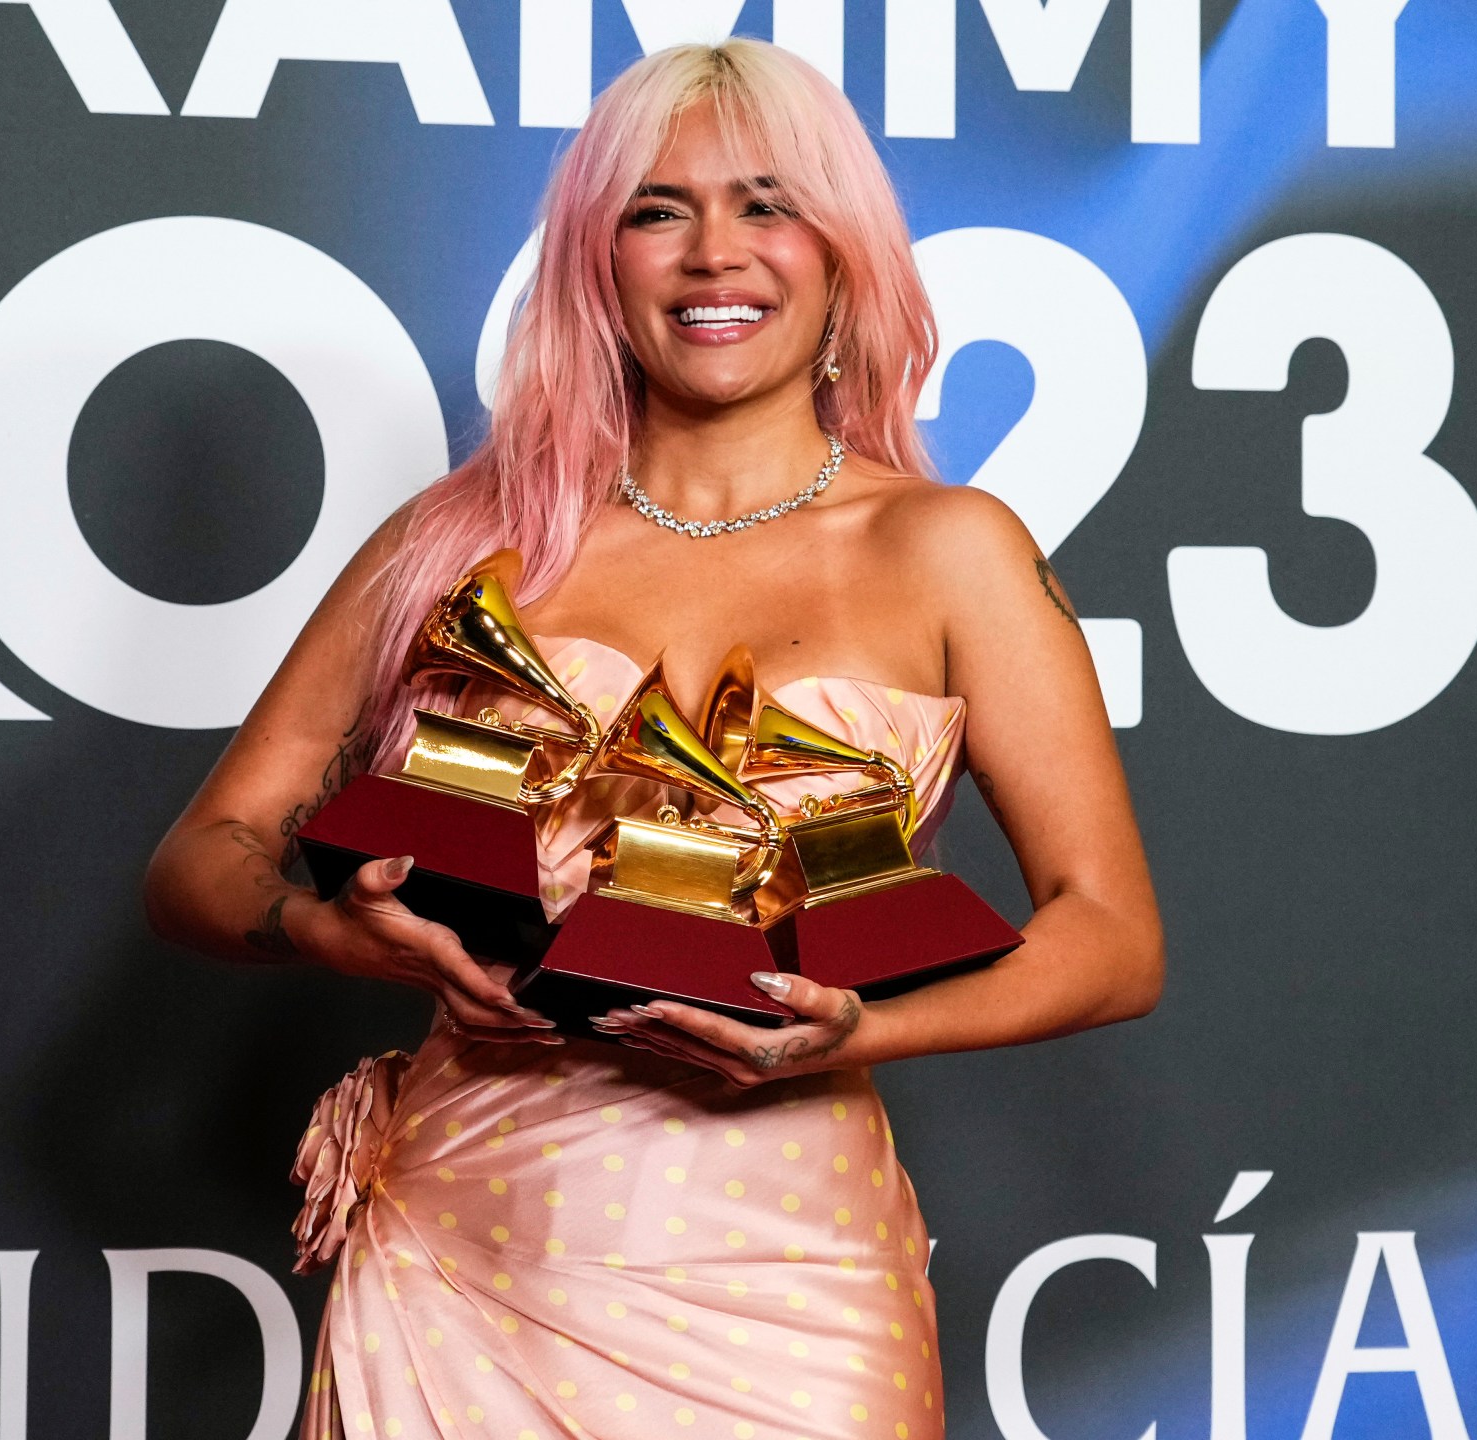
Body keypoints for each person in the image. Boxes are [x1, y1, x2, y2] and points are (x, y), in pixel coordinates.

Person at [145, 39, 1162, 1440]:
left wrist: (865, 1027)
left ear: (845, 252)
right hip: (464, 1249)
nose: (714, 256)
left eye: (767, 202)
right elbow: (204, 852)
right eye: (656, 209)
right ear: (594, 261)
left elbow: (1110, 934)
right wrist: (326, 933)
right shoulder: (461, 537)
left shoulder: (950, 552)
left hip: (786, 1282)